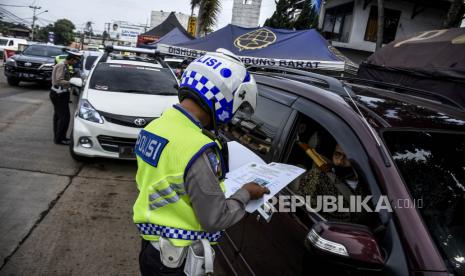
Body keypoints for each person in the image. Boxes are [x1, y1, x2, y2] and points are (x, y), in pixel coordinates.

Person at [133, 49, 270, 276]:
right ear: (224, 97)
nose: (235, 112)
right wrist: (246, 193)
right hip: (175, 262)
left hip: (151, 247)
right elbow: (216, 218)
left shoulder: (154, 127)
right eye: (238, 104)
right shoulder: (196, 147)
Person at [296, 143, 367, 223]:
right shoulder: (318, 176)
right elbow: (300, 207)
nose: (340, 161)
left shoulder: (367, 184)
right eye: (337, 154)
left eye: (347, 157)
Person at [50, 50, 82, 145]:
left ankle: (57, 137)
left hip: (59, 93)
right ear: (71, 59)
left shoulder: (65, 66)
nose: (76, 62)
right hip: (59, 93)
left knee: (58, 116)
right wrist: (71, 82)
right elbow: (59, 80)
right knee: (64, 117)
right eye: (76, 60)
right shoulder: (62, 66)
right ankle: (61, 138)